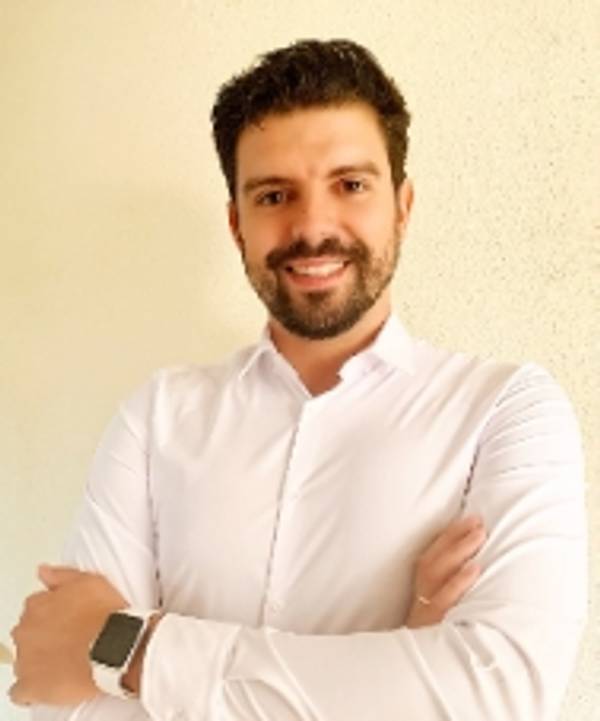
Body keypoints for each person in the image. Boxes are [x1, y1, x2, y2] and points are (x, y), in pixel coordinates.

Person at [10, 39, 586, 721]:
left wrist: (130, 650)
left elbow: (502, 693)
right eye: (274, 194)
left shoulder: (504, 412)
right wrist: (406, 650)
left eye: (350, 184)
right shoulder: (156, 418)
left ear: (402, 206)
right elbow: (66, 698)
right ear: (237, 224)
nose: (312, 226)